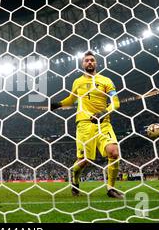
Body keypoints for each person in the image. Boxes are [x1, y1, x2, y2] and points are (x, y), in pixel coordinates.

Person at [51, 51, 123, 199]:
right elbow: (71, 100)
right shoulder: (77, 82)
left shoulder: (106, 81)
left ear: (96, 63)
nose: (89, 62)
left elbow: (115, 103)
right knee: (85, 161)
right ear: (83, 64)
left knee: (114, 152)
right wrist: (57, 104)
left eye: (92, 60)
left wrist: (104, 112)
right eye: (87, 61)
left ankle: (110, 188)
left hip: (104, 123)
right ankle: (75, 180)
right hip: (84, 124)